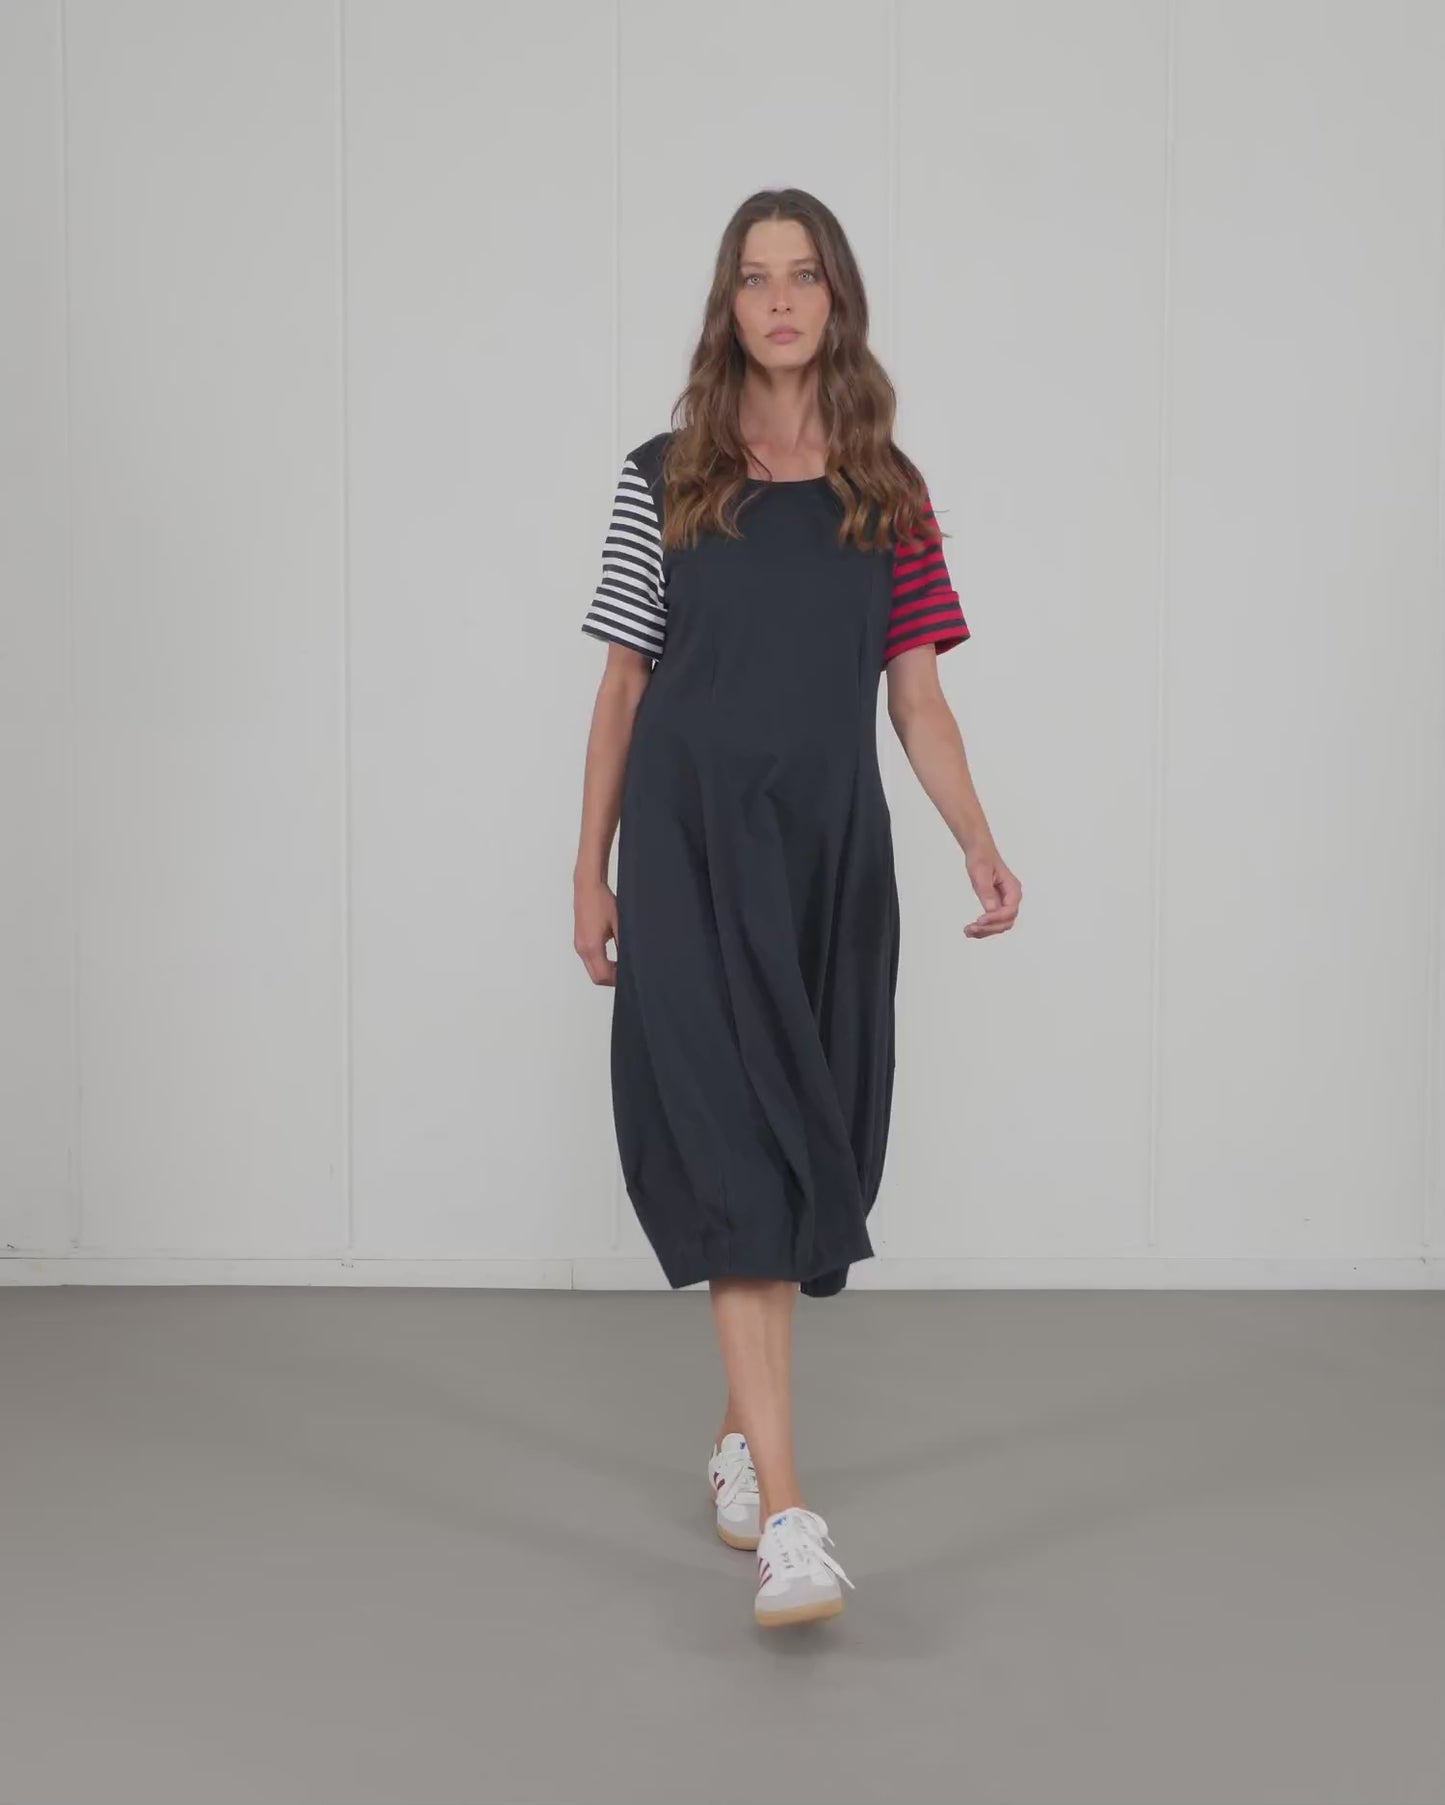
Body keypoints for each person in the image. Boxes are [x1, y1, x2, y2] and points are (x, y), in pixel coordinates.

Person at [572, 189, 1022, 1629]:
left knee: (803, 1158)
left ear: (836, 300)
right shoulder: (661, 477)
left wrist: (976, 839)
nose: (779, 300)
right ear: (729, 303)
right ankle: (788, 1516)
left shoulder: (889, 490)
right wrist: (588, 869)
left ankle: (733, 1437)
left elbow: (918, 699)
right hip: (690, 852)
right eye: (755, 278)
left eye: (804, 276)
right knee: (737, 1165)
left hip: (826, 858)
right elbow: (622, 687)